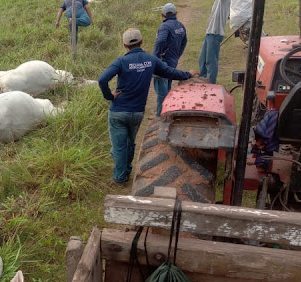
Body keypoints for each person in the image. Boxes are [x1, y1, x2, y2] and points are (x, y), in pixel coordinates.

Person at [98, 28, 197, 184]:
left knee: (119, 146)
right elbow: (170, 72)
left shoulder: (121, 62)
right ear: (142, 41)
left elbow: (102, 80)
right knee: (130, 142)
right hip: (137, 112)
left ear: (125, 45)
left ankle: (120, 177)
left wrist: (110, 96)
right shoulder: (151, 60)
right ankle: (127, 169)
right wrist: (188, 74)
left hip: (118, 111)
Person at [153, 3, 187, 117]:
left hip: (163, 61)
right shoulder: (181, 26)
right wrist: (177, 55)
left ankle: (160, 117)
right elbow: (184, 42)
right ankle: (168, 112)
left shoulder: (165, 26)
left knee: (162, 93)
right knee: (167, 87)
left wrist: (156, 58)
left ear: (163, 15)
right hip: (173, 61)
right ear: (176, 13)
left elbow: (160, 41)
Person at [199, 0, 231, 84]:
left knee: (211, 61)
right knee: (202, 60)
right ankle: (203, 80)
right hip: (210, 33)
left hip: (215, 33)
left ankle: (210, 84)